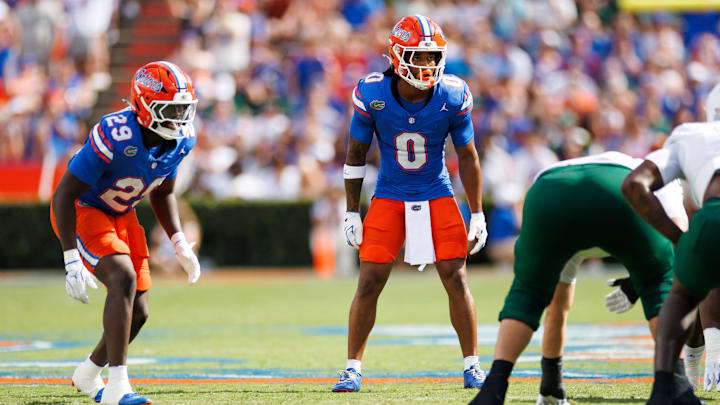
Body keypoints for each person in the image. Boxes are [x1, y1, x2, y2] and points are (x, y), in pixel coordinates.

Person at [334, 14, 488, 392]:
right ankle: (352, 367)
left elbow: (468, 156)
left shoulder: (452, 94)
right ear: (398, 56)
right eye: (419, 57)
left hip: (437, 192)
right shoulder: (372, 93)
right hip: (389, 194)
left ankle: (472, 365)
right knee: (369, 282)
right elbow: (356, 153)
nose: (428, 65)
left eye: (433, 56)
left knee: (456, 277)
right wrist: (352, 210)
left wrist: (479, 212)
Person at [469, 151, 687, 405]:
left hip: (549, 190)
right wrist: (639, 283)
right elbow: (679, 242)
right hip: (618, 189)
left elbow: (557, 309)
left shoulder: (637, 167)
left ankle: (499, 388)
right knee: (658, 284)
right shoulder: (662, 178)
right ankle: (676, 386)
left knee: (529, 293)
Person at [50, 61, 201, 405]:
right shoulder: (115, 133)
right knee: (122, 277)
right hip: (85, 210)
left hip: (122, 213)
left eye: (184, 109)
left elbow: (163, 191)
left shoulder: (181, 140)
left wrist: (179, 241)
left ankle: (88, 373)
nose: (180, 118)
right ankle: (117, 388)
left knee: (141, 311)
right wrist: (70, 258)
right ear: (146, 106)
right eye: (172, 109)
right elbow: (63, 193)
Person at [622, 120, 720, 405]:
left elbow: (633, 185)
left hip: (712, 217)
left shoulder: (687, 136)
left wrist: (677, 239)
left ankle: (666, 386)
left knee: (682, 293)